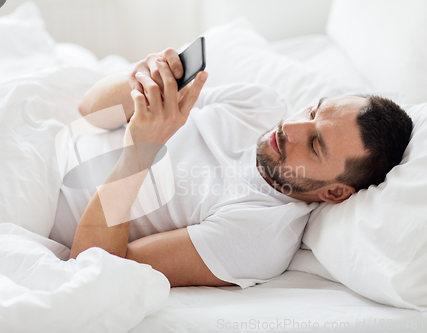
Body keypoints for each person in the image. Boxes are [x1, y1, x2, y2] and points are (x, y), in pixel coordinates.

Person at [51, 47, 412, 288]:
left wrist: (140, 153)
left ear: (334, 192)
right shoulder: (257, 103)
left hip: (33, 194)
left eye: (316, 144)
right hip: (42, 136)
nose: (290, 127)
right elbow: (90, 110)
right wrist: (142, 80)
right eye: (313, 111)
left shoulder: (259, 235)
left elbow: (92, 265)